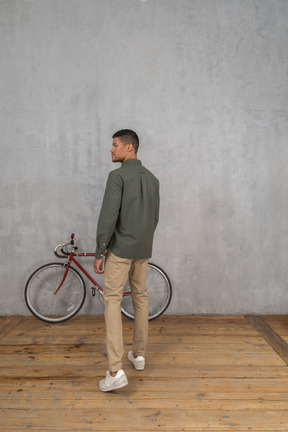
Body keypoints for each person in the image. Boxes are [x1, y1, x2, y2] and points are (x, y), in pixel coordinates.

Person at [94, 129, 160, 392]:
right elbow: (155, 218)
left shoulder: (117, 176)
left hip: (120, 250)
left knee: (112, 299)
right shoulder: (153, 179)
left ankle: (114, 370)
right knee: (140, 296)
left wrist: (100, 250)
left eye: (115, 145)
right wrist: (142, 241)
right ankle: (139, 355)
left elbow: (108, 216)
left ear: (129, 148)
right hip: (143, 249)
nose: (111, 150)